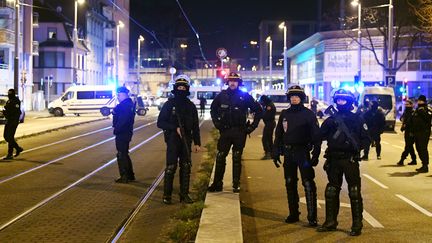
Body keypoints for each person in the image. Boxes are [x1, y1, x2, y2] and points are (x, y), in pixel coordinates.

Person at [317, 89, 370, 236]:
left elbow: (366, 137)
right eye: (338, 100)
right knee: (331, 191)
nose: (341, 102)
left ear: (350, 102)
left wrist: (364, 152)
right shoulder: (331, 120)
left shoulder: (357, 119)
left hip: (350, 159)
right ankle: (330, 222)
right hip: (333, 159)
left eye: (343, 100)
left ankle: (357, 224)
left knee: (354, 192)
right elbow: (319, 136)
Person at [272, 85, 321, 226]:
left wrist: (316, 153)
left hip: (302, 153)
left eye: (297, 96)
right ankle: (293, 213)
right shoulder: (285, 114)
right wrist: (275, 151)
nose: (294, 98)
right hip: (288, 153)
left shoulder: (308, 114)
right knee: (289, 182)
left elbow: (316, 136)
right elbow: (279, 134)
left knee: (308, 183)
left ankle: (312, 217)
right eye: (291, 96)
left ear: (301, 98)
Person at [208, 72, 262, 193]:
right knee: (220, 156)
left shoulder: (245, 96)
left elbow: (258, 110)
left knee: (237, 157)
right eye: (231, 80)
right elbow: (213, 110)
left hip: (240, 131)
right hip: (225, 131)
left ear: (238, 83)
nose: (232, 83)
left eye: (235, 81)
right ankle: (217, 183)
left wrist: (252, 127)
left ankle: (236, 184)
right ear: (228, 82)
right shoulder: (222, 95)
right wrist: (217, 124)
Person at [157, 74, 201, 204]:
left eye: (183, 87)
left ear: (187, 89)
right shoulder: (169, 104)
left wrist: (197, 143)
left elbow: (195, 126)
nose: (181, 90)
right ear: (176, 88)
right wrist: (174, 127)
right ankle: (167, 195)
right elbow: (160, 122)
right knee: (171, 167)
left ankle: (184, 195)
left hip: (187, 139)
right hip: (172, 140)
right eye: (179, 87)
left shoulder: (191, 106)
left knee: (186, 166)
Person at [112, 86, 136, 183]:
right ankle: (130, 175)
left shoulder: (125, 106)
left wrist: (116, 129)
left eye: (119, 95)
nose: (118, 97)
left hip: (123, 132)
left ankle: (125, 176)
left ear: (124, 95)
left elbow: (123, 120)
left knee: (121, 154)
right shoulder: (127, 104)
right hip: (126, 132)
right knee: (124, 153)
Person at [412, 95, 431, 173]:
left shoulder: (427, 109)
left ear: (424, 101)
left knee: (423, 148)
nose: (419, 102)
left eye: (420, 101)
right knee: (418, 148)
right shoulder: (417, 110)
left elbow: (428, 118)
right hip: (417, 132)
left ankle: (425, 165)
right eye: (418, 101)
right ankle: (423, 164)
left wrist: (422, 111)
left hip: (424, 132)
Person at [3, 89, 23, 160]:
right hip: (8, 120)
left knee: (9, 136)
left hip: (13, 121)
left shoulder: (16, 101)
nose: (9, 95)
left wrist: (7, 112)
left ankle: (10, 153)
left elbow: (16, 111)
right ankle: (17, 148)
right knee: (6, 136)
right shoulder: (9, 100)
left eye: (10, 94)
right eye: (8, 93)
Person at [397, 99, 417, 166]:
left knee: (408, 146)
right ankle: (414, 160)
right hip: (407, 131)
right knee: (410, 146)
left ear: (411, 105)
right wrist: (403, 120)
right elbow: (401, 118)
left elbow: (413, 123)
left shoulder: (413, 112)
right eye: (406, 104)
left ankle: (402, 159)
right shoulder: (406, 112)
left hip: (411, 132)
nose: (406, 106)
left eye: (408, 104)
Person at [259, 95, 276, 160]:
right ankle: (272, 153)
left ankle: (268, 153)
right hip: (270, 123)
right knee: (269, 139)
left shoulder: (269, 106)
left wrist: (261, 115)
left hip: (270, 123)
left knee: (265, 139)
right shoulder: (268, 104)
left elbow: (267, 115)